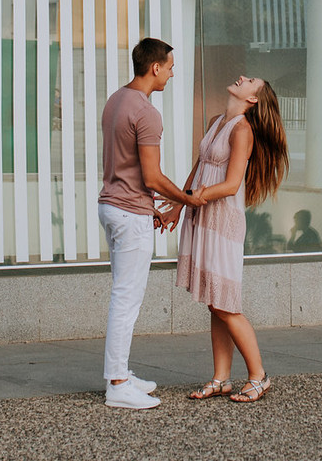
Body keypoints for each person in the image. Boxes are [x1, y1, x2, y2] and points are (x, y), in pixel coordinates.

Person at [97, 37, 200, 410]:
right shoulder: (146, 111)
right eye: (170, 67)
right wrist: (185, 199)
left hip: (113, 206)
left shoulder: (116, 100)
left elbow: (128, 167)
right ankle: (118, 384)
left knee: (123, 296)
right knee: (127, 299)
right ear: (155, 67)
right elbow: (153, 177)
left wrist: (150, 203)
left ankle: (121, 373)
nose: (172, 74)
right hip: (129, 214)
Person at [177, 74, 289, 404]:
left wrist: (195, 198)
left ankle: (258, 376)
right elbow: (198, 169)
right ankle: (221, 378)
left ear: (252, 99)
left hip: (222, 219)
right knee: (216, 302)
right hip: (201, 212)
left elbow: (230, 184)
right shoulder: (216, 122)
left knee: (226, 304)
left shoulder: (242, 130)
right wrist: (176, 206)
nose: (241, 77)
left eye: (249, 80)